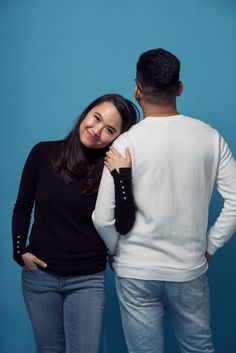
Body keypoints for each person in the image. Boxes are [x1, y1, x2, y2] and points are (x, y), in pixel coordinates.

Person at [92, 49, 236, 353]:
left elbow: (102, 218)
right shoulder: (210, 137)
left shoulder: (124, 143)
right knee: (199, 349)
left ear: (137, 89)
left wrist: (117, 251)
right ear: (179, 88)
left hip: (135, 270)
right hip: (188, 269)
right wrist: (210, 245)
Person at [12, 93, 139, 353]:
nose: (97, 131)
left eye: (109, 130)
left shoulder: (112, 169)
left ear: (117, 137)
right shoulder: (42, 152)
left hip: (87, 279)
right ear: (87, 112)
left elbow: (125, 224)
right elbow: (23, 207)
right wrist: (19, 251)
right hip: (40, 279)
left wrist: (123, 175)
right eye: (96, 118)